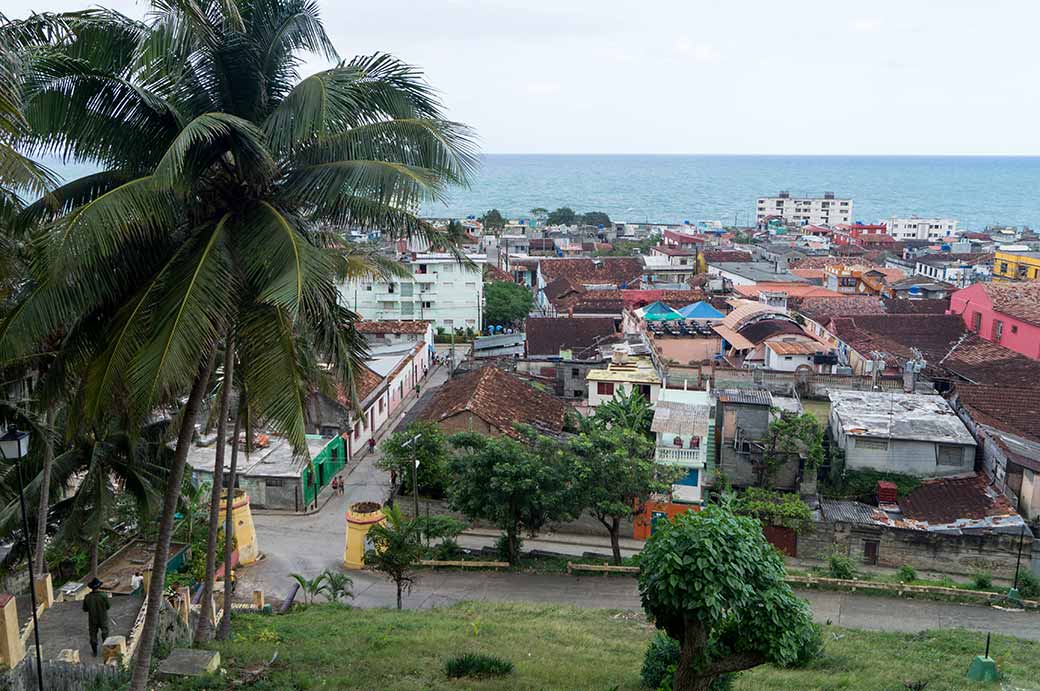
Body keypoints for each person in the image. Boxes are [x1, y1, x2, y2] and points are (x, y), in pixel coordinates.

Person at [83, 577, 110, 657]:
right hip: (103, 618)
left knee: (93, 635)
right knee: (105, 633)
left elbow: (85, 609)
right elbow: (108, 607)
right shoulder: (103, 595)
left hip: (92, 620)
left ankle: (95, 652)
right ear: (99, 587)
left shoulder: (87, 597)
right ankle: (107, 650)